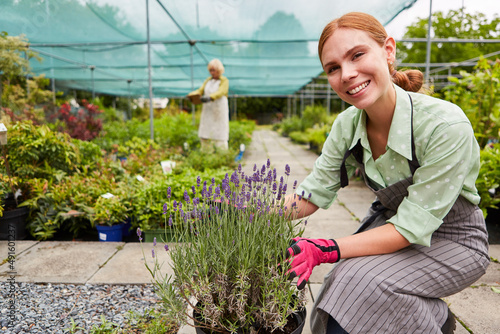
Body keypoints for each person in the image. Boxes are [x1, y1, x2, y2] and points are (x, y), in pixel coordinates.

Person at [284, 12, 489, 334]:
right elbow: (313, 193)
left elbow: (411, 226)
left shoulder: (444, 125)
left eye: (357, 55)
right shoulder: (347, 124)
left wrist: (324, 248)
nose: (347, 74)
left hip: (454, 240)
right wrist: (244, 216)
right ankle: (432, 317)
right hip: (390, 229)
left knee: (357, 286)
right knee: (342, 286)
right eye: (333, 68)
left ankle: (430, 317)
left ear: (388, 51)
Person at [188, 58, 229, 152]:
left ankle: (221, 153)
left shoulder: (224, 80)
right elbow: (200, 90)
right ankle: (206, 152)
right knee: (206, 131)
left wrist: (210, 97)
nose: (212, 72)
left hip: (219, 110)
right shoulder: (208, 81)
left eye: (213, 70)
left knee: (220, 132)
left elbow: (221, 91)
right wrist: (192, 95)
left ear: (219, 70)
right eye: (210, 70)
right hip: (208, 110)